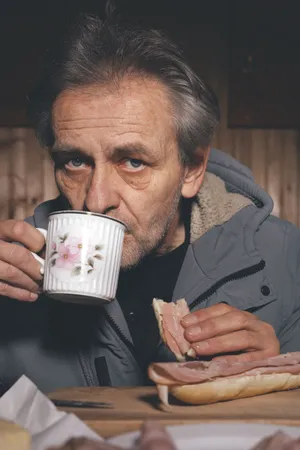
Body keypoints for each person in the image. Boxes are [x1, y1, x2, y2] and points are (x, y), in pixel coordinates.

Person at [0, 15, 299, 393]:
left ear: (191, 169)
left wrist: (278, 377)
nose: (96, 200)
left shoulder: (286, 258)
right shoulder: (11, 271)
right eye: (75, 161)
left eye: (133, 162)